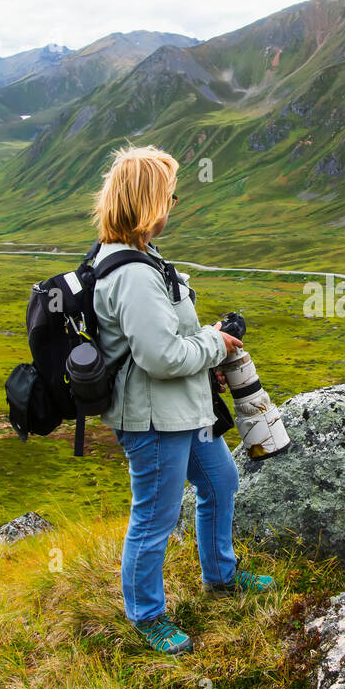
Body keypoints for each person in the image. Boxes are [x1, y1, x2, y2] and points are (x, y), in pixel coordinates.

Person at [91, 144, 275, 655]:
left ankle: (221, 576)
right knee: (154, 516)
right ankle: (147, 616)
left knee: (220, 481)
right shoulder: (130, 272)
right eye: (168, 194)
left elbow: (169, 339)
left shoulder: (144, 258)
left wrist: (207, 338)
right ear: (148, 201)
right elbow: (160, 356)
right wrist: (217, 344)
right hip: (152, 418)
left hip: (183, 410)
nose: (173, 202)